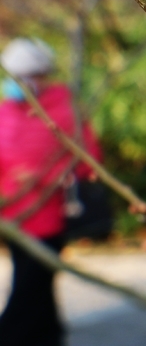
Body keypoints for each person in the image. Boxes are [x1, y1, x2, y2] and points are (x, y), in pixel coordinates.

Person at [0, 37, 101, 346]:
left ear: (41, 75)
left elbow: (88, 161)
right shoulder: (5, 111)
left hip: (50, 217)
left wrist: (42, 178)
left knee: (29, 289)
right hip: (14, 217)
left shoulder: (65, 109)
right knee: (37, 287)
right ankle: (50, 337)